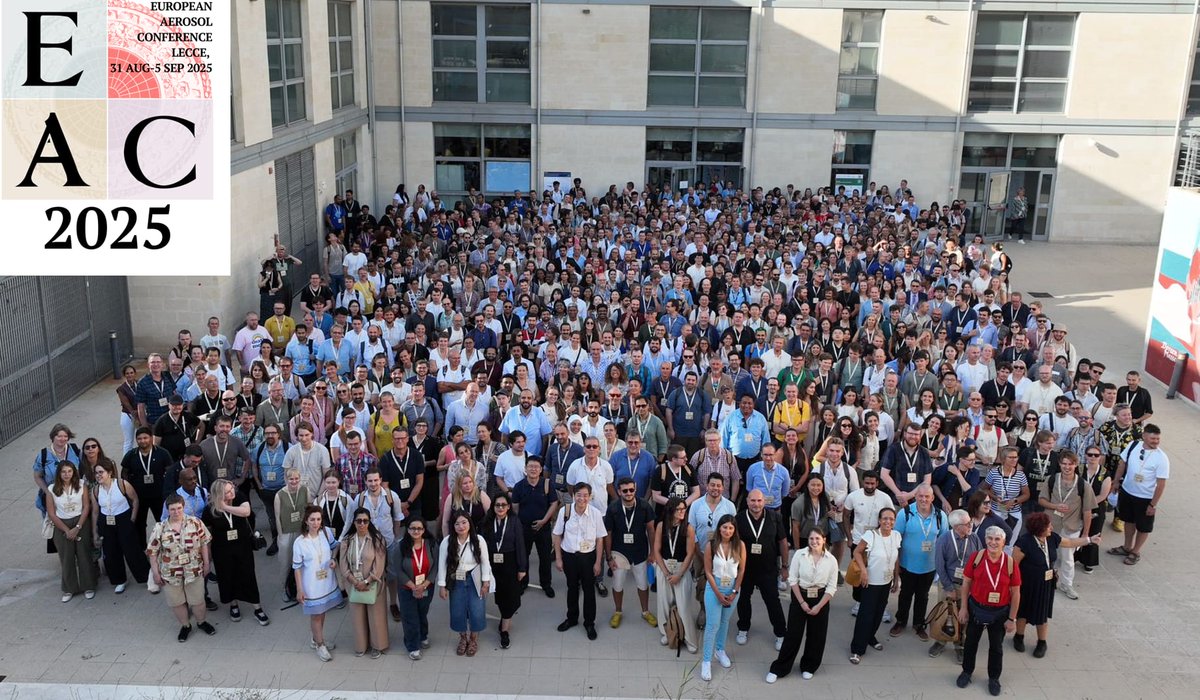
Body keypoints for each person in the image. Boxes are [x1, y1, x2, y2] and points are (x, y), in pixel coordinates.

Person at [1011, 512, 1097, 658]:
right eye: (1048, 526)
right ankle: (1019, 636)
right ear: (1039, 528)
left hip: (1046, 584)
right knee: (1023, 611)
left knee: (1042, 613)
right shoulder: (1024, 542)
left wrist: (1089, 539)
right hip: (1027, 584)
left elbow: (1069, 542)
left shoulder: (1052, 538)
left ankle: (1042, 642)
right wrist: (1013, 586)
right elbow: (1014, 565)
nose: (1051, 527)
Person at [765, 528, 839, 683]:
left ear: (824, 539)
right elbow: (793, 580)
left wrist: (819, 606)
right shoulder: (800, 555)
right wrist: (802, 602)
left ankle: (809, 666)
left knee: (817, 635)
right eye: (811, 539)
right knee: (793, 634)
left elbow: (832, 587)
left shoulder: (831, 560)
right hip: (801, 595)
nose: (814, 542)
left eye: (818, 538)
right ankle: (780, 668)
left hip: (821, 598)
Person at [956, 526, 1021, 697]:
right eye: (990, 538)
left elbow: (1015, 593)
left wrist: (1012, 619)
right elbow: (966, 584)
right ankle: (967, 672)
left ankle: (993, 678)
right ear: (985, 540)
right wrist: (963, 608)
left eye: (997, 539)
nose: (993, 542)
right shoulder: (976, 558)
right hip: (976, 609)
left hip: (999, 613)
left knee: (996, 647)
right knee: (970, 643)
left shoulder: (1010, 563)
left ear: (1003, 542)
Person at [147, 494, 216, 642]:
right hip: (171, 574)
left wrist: (206, 563)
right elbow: (153, 552)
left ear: (183, 507)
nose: (176, 512)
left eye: (179, 508)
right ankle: (185, 626)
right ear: (168, 510)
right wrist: (155, 573)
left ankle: (201, 622)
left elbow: (204, 543)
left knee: (198, 600)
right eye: (172, 509)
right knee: (176, 602)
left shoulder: (195, 522)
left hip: (194, 570)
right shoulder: (160, 528)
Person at [203, 478, 270, 625]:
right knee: (227, 576)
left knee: (248, 575)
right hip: (222, 550)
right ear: (219, 494)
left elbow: (246, 511)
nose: (231, 492)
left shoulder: (239, 497)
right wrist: (207, 556)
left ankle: (257, 607)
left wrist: (225, 507)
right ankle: (233, 605)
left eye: (231, 489)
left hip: (242, 546)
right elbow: (207, 535)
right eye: (227, 492)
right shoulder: (209, 510)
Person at [890, 484, 948, 640]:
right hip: (907, 564)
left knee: (923, 596)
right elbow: (896, 539)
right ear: (915, 497)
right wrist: (895, 566)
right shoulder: (906, 513)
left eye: (927, 496)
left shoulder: (940, 516)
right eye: (920, 496)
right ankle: (900, 621)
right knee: (905, 595)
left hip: (929, 566)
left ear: (932, 498)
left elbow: (944, 541)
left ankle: (919, 624)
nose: (923, 499)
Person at [1037, 451, 1096, 599]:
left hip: (1072, 526)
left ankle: (1067, 584)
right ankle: (1048, 581)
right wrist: (1055, 506)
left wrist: (1085, 534)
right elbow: (1041, 500)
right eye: (1064, 463)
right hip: (1051, 524)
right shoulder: (1051, 480)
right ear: (1059, 464)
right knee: (1048, 555)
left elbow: (1087, 511)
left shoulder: (1084, 485)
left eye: (1070, 464)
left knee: (1068, 557)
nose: (1067, 467)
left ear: (1076, 465)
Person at [735, 489, 788, 651]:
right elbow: (734, 543)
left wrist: (785, 566)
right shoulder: (739, 518)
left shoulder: (775, 518)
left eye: (759, 501)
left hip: (768, 569)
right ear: (747, 501)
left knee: (773, 601)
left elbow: (783, 542)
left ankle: (780, 633)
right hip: (746, 569)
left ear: (764, 502)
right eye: (753, 501)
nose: (756, 504)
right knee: (743, 600)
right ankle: (743, 628)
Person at [553, 481, 607, 640]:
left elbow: (600, 540)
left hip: (588, 557)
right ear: (573, 495)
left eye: (585, 495)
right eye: (578, 495)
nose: (582, 498)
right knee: (572, 588)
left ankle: (589, 623)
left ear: (590, 497)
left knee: (589, 590)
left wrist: (598, 562)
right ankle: (572, 618)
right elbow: (557, 535)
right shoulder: (565, 511)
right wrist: (558, 558)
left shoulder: (596, 513)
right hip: (569, 556)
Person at [1109, 424, 1169, 566]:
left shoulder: (1162, 458)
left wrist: (1153, 504)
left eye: (1157, 439)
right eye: (1152, 438)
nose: (1155, 441)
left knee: (1143, 526)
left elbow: (1161, 484)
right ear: (1144, 436)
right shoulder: (1133, 445)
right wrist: (1116, 481)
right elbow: (1122, 464)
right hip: (1127, 492)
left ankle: (1135, 551)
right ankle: (1127, 546)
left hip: (1145, 498)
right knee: (1128, 521)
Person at [848, 506, 900, 665]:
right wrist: (863, 571)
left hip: (886, 582)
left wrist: (896, 579)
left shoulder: (897, 536)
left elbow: (896, 558)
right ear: (879, 520)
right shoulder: (871, 535)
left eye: (891, 519)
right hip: (870, 583)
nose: (888, 521)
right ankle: (857, 649)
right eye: (885, 518)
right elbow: (857, 552)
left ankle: (871, 637)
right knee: (865, 615)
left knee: (878, 613)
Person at [603, 476, 656, 629]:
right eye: (624, 490)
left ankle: (645, 611)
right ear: (619, 492)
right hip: (619, 553)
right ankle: (618, 611)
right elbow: (608, 534)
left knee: (642, 584)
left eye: (631, 490)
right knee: (618, 585)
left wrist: (652, 553)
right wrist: (608, 557)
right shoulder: (613, 508)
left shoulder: (645, 506)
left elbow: (651, 530)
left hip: (640, 553)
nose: (628, 493)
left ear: (635, 489)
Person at [438, 513, 493, 657]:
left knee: (477, 609)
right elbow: (442, 564)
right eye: (457, 523)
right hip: (456, 578)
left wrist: (486, 581)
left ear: (469, 523)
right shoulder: (447, 541)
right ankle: (463, 638)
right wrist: (442, 585)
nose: (461, 526)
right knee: (457, 609)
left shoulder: (478, 540)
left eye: (464, 522)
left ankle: (473, 639)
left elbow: (485, 561)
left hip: (474, 577)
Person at [699, 513, 746, 682]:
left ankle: (720, 650)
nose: (727, 530)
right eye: (725, 527)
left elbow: (741, 570)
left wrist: (734, 591)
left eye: (731, 528)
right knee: (713, 625)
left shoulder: (740, 545)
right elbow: (708, 572)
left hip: (732, 589)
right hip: (714, 589)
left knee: (725, 622)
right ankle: (706, 661)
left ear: (734, 530)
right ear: (719, 528)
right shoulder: (711, 545)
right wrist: (718, 594)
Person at [92, 460, 150, 593]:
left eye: (101, 472)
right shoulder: (95, 490)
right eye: (96, 473)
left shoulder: (122, 484)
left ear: (109, 472)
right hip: (106, 522)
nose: (98, 475)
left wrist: (132, 518)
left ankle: (147, 577)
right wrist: (95, 532)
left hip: (123, 518)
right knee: (111, 552)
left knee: (132, 551)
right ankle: (120, 580)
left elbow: (135, 499)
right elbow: (95, 511)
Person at [338, 506, 390, 658]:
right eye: (358, 521)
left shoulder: (377, 539)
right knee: (357, 616)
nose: (362, 524)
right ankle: (361, 645)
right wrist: (354, 581)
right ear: (353, 522)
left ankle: (378, 646)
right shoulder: (347, 540)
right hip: (353, 584)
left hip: (373, 583)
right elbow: (343, 564)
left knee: (376, 616)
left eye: (365, 521)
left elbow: (379, 565)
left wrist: (366, 581)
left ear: (369, 522)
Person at [929, 509, 981, 661]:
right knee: (946, 614)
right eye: (967, 524)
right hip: (948, 584)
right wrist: (949, 587)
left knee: (963, 616)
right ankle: (940, 641)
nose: (970, 525)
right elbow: (939, 565)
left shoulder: (975, 538)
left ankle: (960, 644)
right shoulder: (944, 540)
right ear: (957, 527)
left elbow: (979, 561)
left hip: (968, 586)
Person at [293, 505, 341, 661]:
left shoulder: (325, 533)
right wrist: (300, 589)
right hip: (311, 585)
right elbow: (297, 568)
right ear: (306, 521)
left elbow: (335, 546)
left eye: (318, 519)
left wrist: (333, 559)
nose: (315, 523)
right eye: (312, 519)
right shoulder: (299, 542)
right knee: (316, 615)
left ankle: (316, 638)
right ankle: (320, 645)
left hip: (326, 581)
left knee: (323, 611)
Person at [652, 496, 699, 653]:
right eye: (678, 509)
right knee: (664, 603)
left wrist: (679, 574)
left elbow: (690, 553)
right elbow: (656, 551)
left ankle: (689, 638)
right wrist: (665, 572)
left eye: (684, 509)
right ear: (670, 510)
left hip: (681, 569)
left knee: (683, 605)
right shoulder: (661, 526)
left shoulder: (689, 528)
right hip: (664, 567)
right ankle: (667, 632)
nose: (682, 512)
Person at [46, 461, 98, 601]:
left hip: (80, 522)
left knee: (84, 556)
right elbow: (51, 513)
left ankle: (88, 586)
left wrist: (78, 527)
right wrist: (67, 530)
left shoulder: (81, 485)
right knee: (66, 558)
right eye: (63, 472)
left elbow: (86, 507)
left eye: (69, 471)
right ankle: (69, 589)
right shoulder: (51, 489)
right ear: (59, 473)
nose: (67, 474)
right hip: (61, 524)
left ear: (73, 472)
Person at [510, 456, 559, 598]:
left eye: (536, 467)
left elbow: (554, 504)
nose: (533, 469)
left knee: (545, 558)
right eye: (530, 466)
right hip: (524, 529)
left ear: (540, 470)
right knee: (522, 557)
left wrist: (544, 521)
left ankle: (546, 584)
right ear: (525, 469)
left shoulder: (547, 484)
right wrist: (520, 524)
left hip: (543, 529)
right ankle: (522, 583)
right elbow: (515, 507)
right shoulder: (519, 486)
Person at [483, 493, 527, 648]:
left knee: (512, 598)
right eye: (497, 505)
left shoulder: (515, 521)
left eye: (503, 505)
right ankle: (505, 619)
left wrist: (522, 568)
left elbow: (521, 545)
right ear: (493, 507)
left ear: (509, 507)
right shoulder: (487, 522)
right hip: (492, 563)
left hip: (510, 563)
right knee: (500, 596)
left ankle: (504, 631)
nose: (500, 508)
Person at [1077, 448, 1112, 573]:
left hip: (1097, 507)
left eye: (1096, 455)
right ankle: (1075, 555)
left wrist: (1087, 505)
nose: (1093, 457)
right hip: (1078, 506)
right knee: (1077, 530)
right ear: (1085, 455)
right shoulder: (1079, 469)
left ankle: (1089, 561)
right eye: (1090, 454)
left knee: (1094, 532)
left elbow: (1103, 495)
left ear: (1100, 457)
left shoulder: (1105, 473)